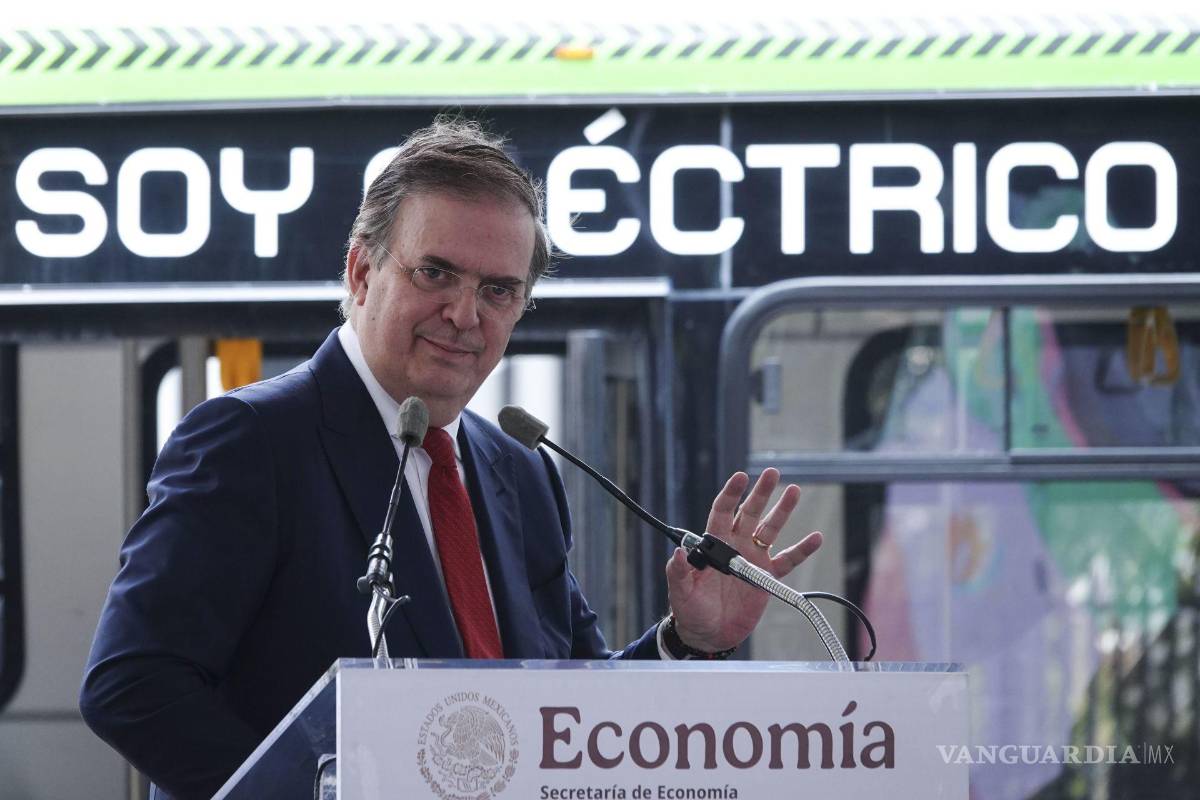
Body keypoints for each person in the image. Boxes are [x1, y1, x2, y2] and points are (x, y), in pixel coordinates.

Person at [79, 118, 821, 799]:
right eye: (435, 274)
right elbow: (132, 685)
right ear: (362, 272)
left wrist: (684, 641)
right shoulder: (251, 441)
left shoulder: (520, 471)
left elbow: (575, 714)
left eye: (498, 290)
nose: (466, 315)